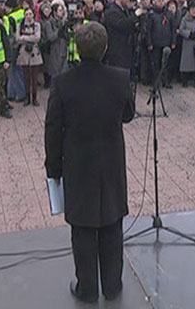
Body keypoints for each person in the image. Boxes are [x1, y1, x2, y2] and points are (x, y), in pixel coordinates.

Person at [44, 22, 134, 304]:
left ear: (77, 50)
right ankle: (112, 285)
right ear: (105, 47)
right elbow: (128, 115)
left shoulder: (63, 82)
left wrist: (53, 168)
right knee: (111, 222)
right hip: (110, 162)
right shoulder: (120, 78)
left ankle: (87, 288)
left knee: (82, 227)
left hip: (77, 163)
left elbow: (52, 128)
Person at [103, 0, 140, 70]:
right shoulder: (112, 12)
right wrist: (135, 15)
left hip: (127, 50)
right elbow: (123, 25)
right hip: (117, 52)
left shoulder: (125, 11)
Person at [146, 0, 175, 87]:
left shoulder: (169, 14)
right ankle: (155, 81)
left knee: (166, 63)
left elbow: (173, 29)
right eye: (159, 1)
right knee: (156, 64)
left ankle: (166, 81)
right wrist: (149, 43)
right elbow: (148, 30)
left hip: (166, 42)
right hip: (155, 43)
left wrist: (173, 41)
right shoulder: (151, 15)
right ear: (155, 2)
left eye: (163, 1)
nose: (161, 3)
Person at [16, 8, 43, 106]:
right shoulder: (20, 25)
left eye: (30, 14)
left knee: (34, 78)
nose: (28, 16)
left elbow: (37, 38)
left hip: (34, 52)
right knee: (26, 77)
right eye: (26, 14)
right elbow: (18, 39)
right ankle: (27, 97)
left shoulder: (37, 25)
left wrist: (25, 37)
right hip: (23, 52)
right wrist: (28, 38)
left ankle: (34, 98)